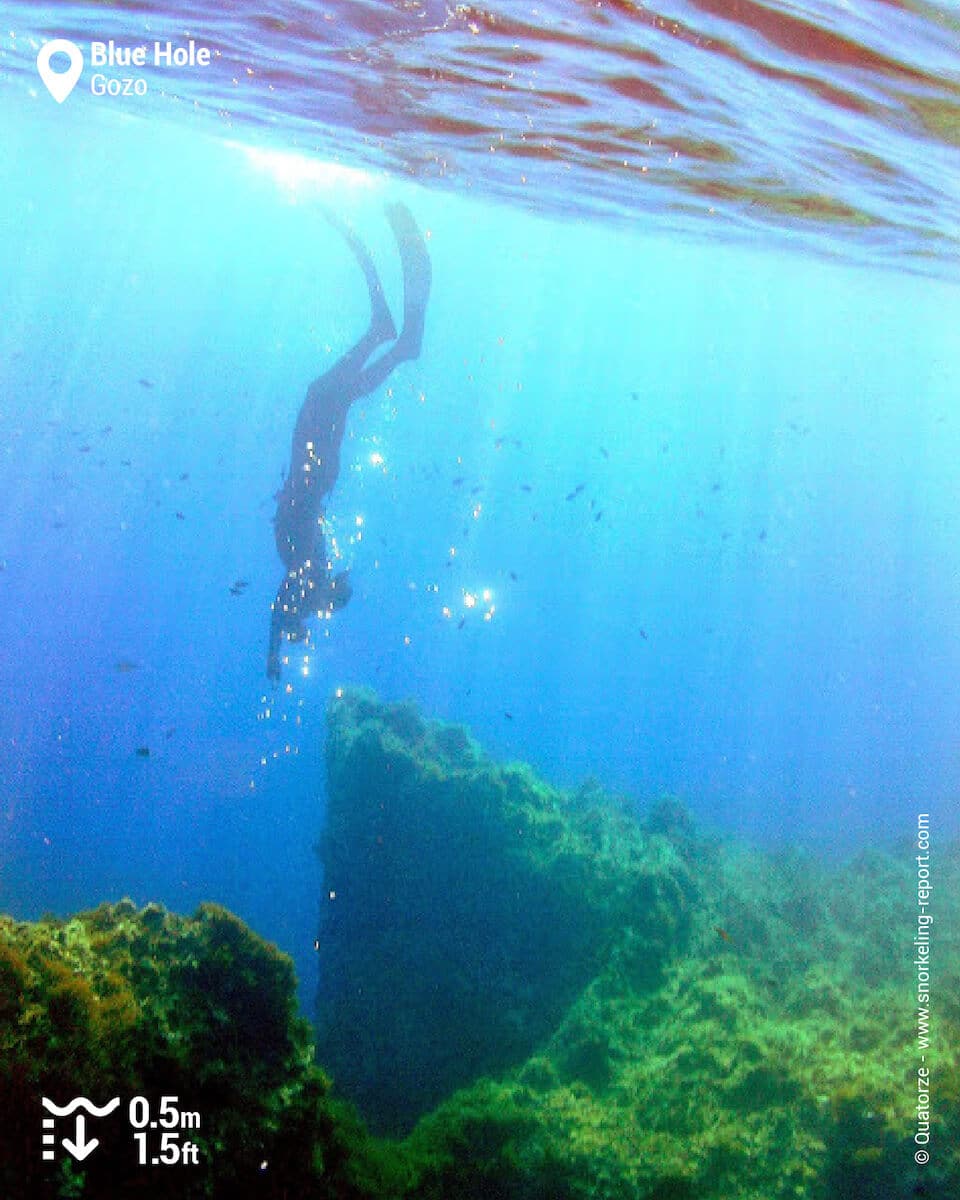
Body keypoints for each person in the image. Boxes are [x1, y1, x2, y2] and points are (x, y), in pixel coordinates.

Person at [267, 203, 431, 681]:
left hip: (318, 469)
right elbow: (281, 603)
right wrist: (275, 647)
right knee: (327, 396)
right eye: (311, 607)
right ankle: (395, 342)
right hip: (316, 467)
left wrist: (277, 646)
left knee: (334, 396)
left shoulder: (308, 565)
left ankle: (391, 338)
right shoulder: (305, 565)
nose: (301, 606)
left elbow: (282, 605)